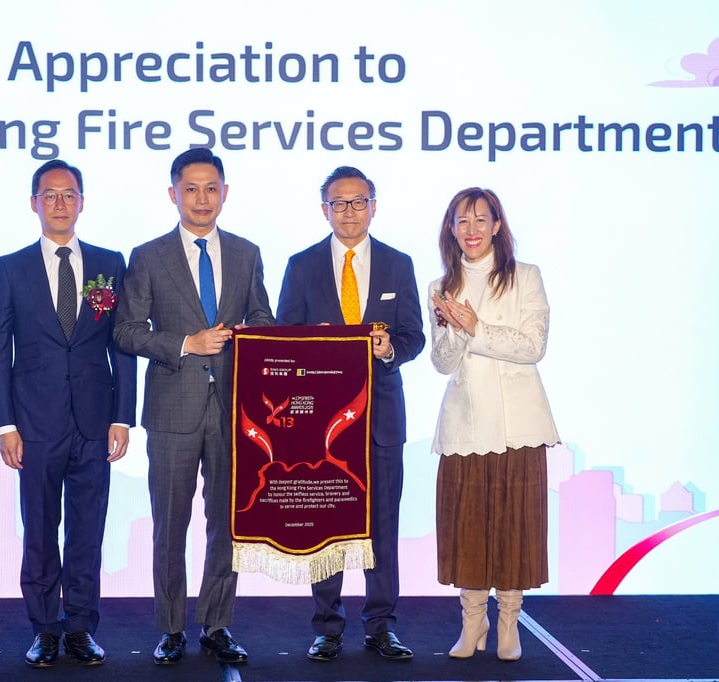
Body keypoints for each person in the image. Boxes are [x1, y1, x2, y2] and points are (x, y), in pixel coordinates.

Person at [113, 148, 274, 666]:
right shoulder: (148, 255)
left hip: (234, 411)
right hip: (171, 411)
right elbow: (127, 331)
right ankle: (171, 626)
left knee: (226, 523)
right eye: (191, 189)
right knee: (170, 523)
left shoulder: (248, 253)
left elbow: (264, 319)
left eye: (211, 188)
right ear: (173, 194)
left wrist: (255, 335)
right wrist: (186, 343)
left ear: (225, 193)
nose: (202, 198)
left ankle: (218, 624)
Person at [0, 159, 137, 668]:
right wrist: (5, 424)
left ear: (82, 202)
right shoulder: (10, 268)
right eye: (49, 195)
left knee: (88, 531)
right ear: (34, 203)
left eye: (68, 195)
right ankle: (45, 629)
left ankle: (80, 628)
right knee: (41, 530)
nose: (59, 204)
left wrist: (123, 415)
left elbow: (122, 343)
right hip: (35, 425)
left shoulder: (108, 264)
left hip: (95, 422)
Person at [276, 166, 424, 663]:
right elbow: (283, 341)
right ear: (324, 210)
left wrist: (389, 349)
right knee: (327, 525)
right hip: (321, 423)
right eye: (338, 203)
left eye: (358, 201)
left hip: (381, 418)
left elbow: (413, 337)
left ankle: (381, 625)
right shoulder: (301, 266)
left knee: (382, 526)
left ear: (374, 206)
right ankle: (327, 626)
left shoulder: (398, 265)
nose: (349, 211)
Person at [428, 187, 558, 662]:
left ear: (498, 226)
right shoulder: (440, 285)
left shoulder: (526, 277)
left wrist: (475, 326)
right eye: (462, 221)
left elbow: (532, 346)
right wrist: (454, 330)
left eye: (482, 220)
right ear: (451, 230)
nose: (472, 230)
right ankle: (471, 620)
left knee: (515, 527)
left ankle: (508, 621)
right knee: (466, 528)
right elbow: (441, 363)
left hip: (519, 426)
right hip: (465, 423)